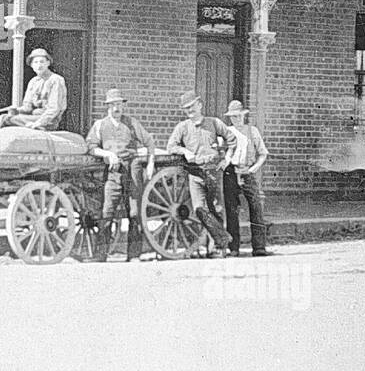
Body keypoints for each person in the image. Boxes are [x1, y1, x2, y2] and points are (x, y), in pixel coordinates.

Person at [165, 90, 243, 257]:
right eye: (186, 108)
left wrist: (227, 159)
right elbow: (170, 146)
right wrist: (184, 151)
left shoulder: (214, 123)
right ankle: (223, 239)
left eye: (192, 106)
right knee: (200, 209)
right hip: (195, 173)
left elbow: (232, 140)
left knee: (216, 208)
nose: (190, 110)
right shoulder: (182, 127)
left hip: (214, 171)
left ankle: (216, 248)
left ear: (199, 105)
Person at [85, 88, 156, 260]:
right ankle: (100, 255)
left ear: (122, 106)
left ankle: (134, 255)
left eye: (119, 104)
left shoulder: (131, 123)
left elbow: (149, 142)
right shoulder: (100, 125)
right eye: (113, 105)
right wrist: (107, 154)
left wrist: (151, 164)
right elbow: (91, 147)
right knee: (107, 211)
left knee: (134, 212)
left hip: (132, 169)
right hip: (113, 172)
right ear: (107, 107)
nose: (117, 108)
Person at [222, 99, 271, 257]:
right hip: (231, 173)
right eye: (232, 117)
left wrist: (254, 168)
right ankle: (234, 248)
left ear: (243, 115)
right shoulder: (226, 132)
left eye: (238, 116)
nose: (236, 120)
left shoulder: (252, 131)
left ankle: (259, 247)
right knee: (232, 209)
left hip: (248, 173)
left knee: (256, 206)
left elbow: (263, 153)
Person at [0, 48, 67, 130]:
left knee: (5, 120)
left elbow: (54, 109)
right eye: (35, 62)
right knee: (4, 117)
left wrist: (39, 123)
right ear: (32, 65)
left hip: (48, 120)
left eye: (42, 62)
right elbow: (27, 107)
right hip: (32, 117)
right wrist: (16, 110)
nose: (39, 65)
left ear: (48, 63)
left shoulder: (56, 80)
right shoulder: (34, 81)